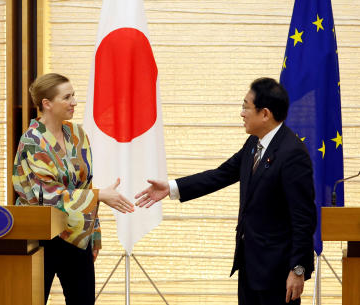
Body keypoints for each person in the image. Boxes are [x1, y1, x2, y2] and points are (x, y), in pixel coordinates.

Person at [135, 78, 316, 305]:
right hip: (250, 267)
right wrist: (172, 188)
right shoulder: (254, 143)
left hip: (278, 273)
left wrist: (297, 270)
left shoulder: (292, 154)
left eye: (245, 107)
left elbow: (304, 218)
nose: (241, 113)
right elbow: (221, 175)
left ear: (265, 114)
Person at [12, 73, 134, 305]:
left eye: (74, 95)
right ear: (47, 104)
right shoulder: (32, 141)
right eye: (67, 97)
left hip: (77, 233)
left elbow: (85, 184)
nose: (74, 102)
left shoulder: (77, 134)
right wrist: (99, 195)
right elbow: (46, 195)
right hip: (40, 236)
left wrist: (94, 233)